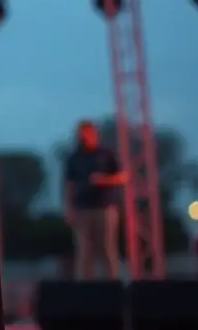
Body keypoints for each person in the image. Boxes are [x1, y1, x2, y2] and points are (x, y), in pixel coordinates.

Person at [63, 120, 127, 280]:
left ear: (94, 135)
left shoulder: (106, 154)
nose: (83, 138)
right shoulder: (74, 157)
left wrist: (103, 180)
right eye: (81, 135)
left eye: (87, 134)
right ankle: (85, 287)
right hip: (82, 208)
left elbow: (123, 177)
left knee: (107, 248)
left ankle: (112, 284)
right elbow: (69, 185)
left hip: (105, 207)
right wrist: (69, 208)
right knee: (84, 251)